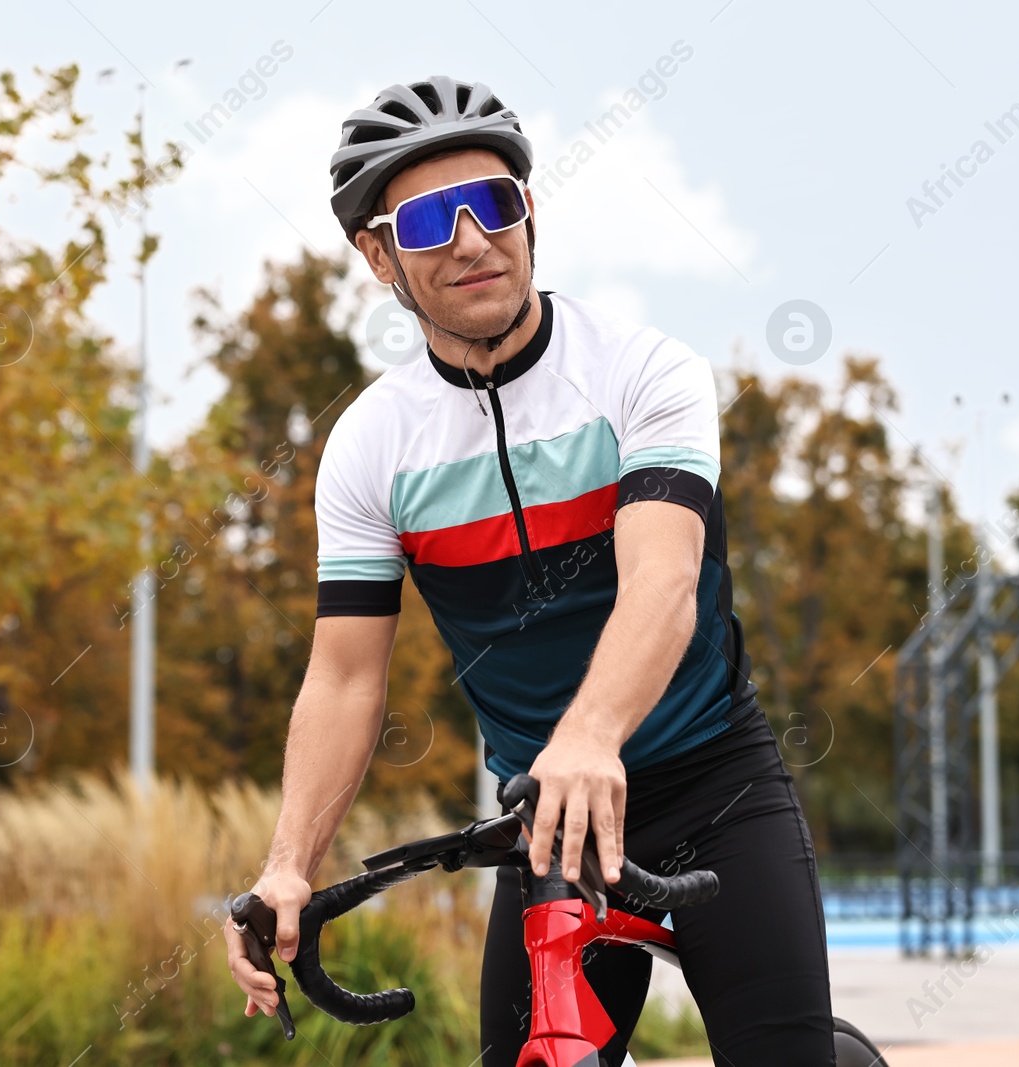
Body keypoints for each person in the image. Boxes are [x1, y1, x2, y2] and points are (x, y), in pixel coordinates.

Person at [222, 75, 838, 1066]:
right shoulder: (371, 444)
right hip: (546, 822)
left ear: (529, 211)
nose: (472, 238)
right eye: (428, 219)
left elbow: (662, 581)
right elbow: (345, 674)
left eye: (495, 201)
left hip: (713, 785)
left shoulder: (642, 372)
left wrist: (593, 732)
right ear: (376, 253)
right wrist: (289, 864)